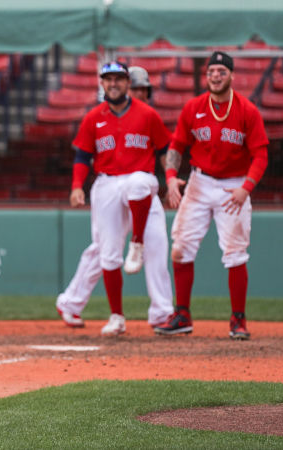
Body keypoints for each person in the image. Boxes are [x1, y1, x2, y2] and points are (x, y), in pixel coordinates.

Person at [155, 51, 268, 340]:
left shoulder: (247, 110)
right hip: (200, 182)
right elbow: (176, 146)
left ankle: (238, 319)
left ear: (231, 76)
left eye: (221, 71)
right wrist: (171, 178)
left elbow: (260, 154)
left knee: (235, 252)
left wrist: (246, 188)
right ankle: (182, 315)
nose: (215, 76)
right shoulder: (193, 107)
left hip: (234, 186)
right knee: (181, 247)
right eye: (211, 72)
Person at [55, 66, 173, 329]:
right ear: (103, 84)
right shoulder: (94, 117)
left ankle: (162, 312)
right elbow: (82, 156)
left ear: (127, 83)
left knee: (156, 244)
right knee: (104, 251)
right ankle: (88, 307)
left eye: (119, 79)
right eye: (108, 79)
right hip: (108, 183)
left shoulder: (148, 115)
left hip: (140, 185)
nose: (114, 83)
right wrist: (76, 186)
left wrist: (172, 178)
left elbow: (167, 149)